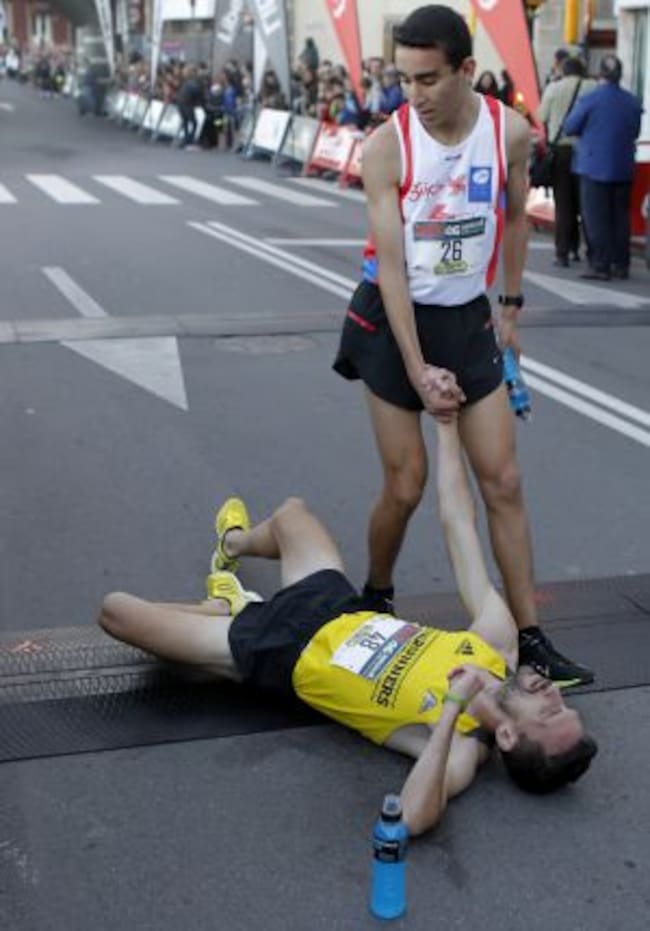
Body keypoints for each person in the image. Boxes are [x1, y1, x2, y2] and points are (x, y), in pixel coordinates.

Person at [99, 420, 597, 836]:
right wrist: (445, 425)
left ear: (508, 736)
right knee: (292, 514)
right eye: (563, 703)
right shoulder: (497, 644)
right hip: (335, 604)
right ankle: (233, 546)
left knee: (116, 611)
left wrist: (451, 708)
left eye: (549, 714)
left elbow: (414, 817)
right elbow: (459, 526)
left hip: (275, 648)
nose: (555, 695)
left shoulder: (461, 746)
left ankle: (229, 610)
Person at [332, 4, 593, 687]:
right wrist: (417, 370)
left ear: (466, 71)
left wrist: (509, 308)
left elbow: (514, 218)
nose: (412, 94)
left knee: (503, 480)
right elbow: (390, 267)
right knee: (408, 482)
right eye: (403, 78)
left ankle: (531, 636)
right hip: (394, 321)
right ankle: (376, 593)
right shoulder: (389, 143)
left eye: (427, 79)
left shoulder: (507, 132)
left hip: (467, 316)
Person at [563, 54, 642, 281]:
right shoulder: (632, 101)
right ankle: (621, 264)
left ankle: (600, 265)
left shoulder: (590, 99)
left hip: (593, 165)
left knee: (596, 218)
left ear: (600, 75)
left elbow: (570, 127)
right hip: (623, 166)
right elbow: (635, 131)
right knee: (620, 217)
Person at [536, 56, 596, 267]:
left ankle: (563, 252)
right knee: (586, 203)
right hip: (586, 151)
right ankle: (586, 251)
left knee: (563, 204)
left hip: (560, 151)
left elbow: (540, 116)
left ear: (564, 70)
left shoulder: (554, 88)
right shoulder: (593, 87)